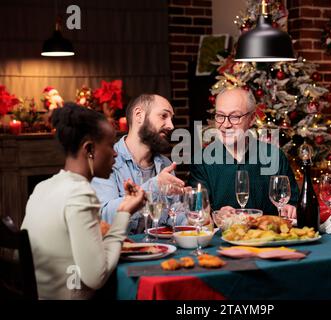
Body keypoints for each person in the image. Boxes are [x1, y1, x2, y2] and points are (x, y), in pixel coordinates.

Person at [21, 103, 145, 299]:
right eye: (111, 145)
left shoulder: (43, 187)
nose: (115, 153)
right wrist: (124, 213)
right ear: (89, 149)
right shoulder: (80, 194)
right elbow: (97, 276)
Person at [188, 87, 299, 217]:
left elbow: (293, 202)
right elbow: (196, 211)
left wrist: (290, 208)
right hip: (221, 236)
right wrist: (215, 215)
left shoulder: (274, 156)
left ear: (252, 119)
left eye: (235, 117)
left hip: (266, 235)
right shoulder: (202, 161)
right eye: (220, 116)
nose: (226, 124)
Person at [91, 94, 185, 234]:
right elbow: (103, 218)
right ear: (139, 115)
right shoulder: (107, 161)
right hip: (121, 252)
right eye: (163, 116)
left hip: (161, 251)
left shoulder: (166, 164)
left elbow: (173, 217)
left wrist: (196, 216)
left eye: (171, 119)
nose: (171, 126)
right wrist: (153, 186)